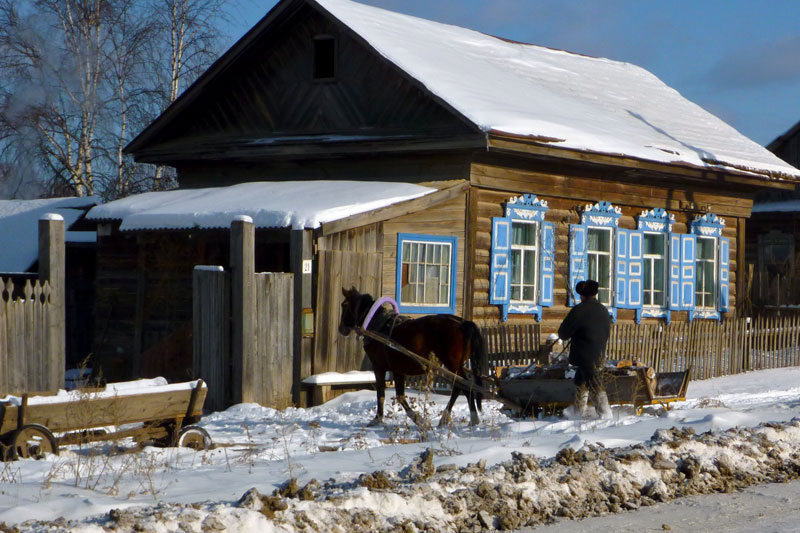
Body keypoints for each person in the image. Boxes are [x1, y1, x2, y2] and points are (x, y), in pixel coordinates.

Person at [557, 280, 612, 418]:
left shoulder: (579, 310)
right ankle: (577, 414)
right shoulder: (603, 310)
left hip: (584, 355)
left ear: (581, 295)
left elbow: (563, 333)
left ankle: (606, 415)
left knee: (595, 383)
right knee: (581, 381)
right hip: (598, 354)